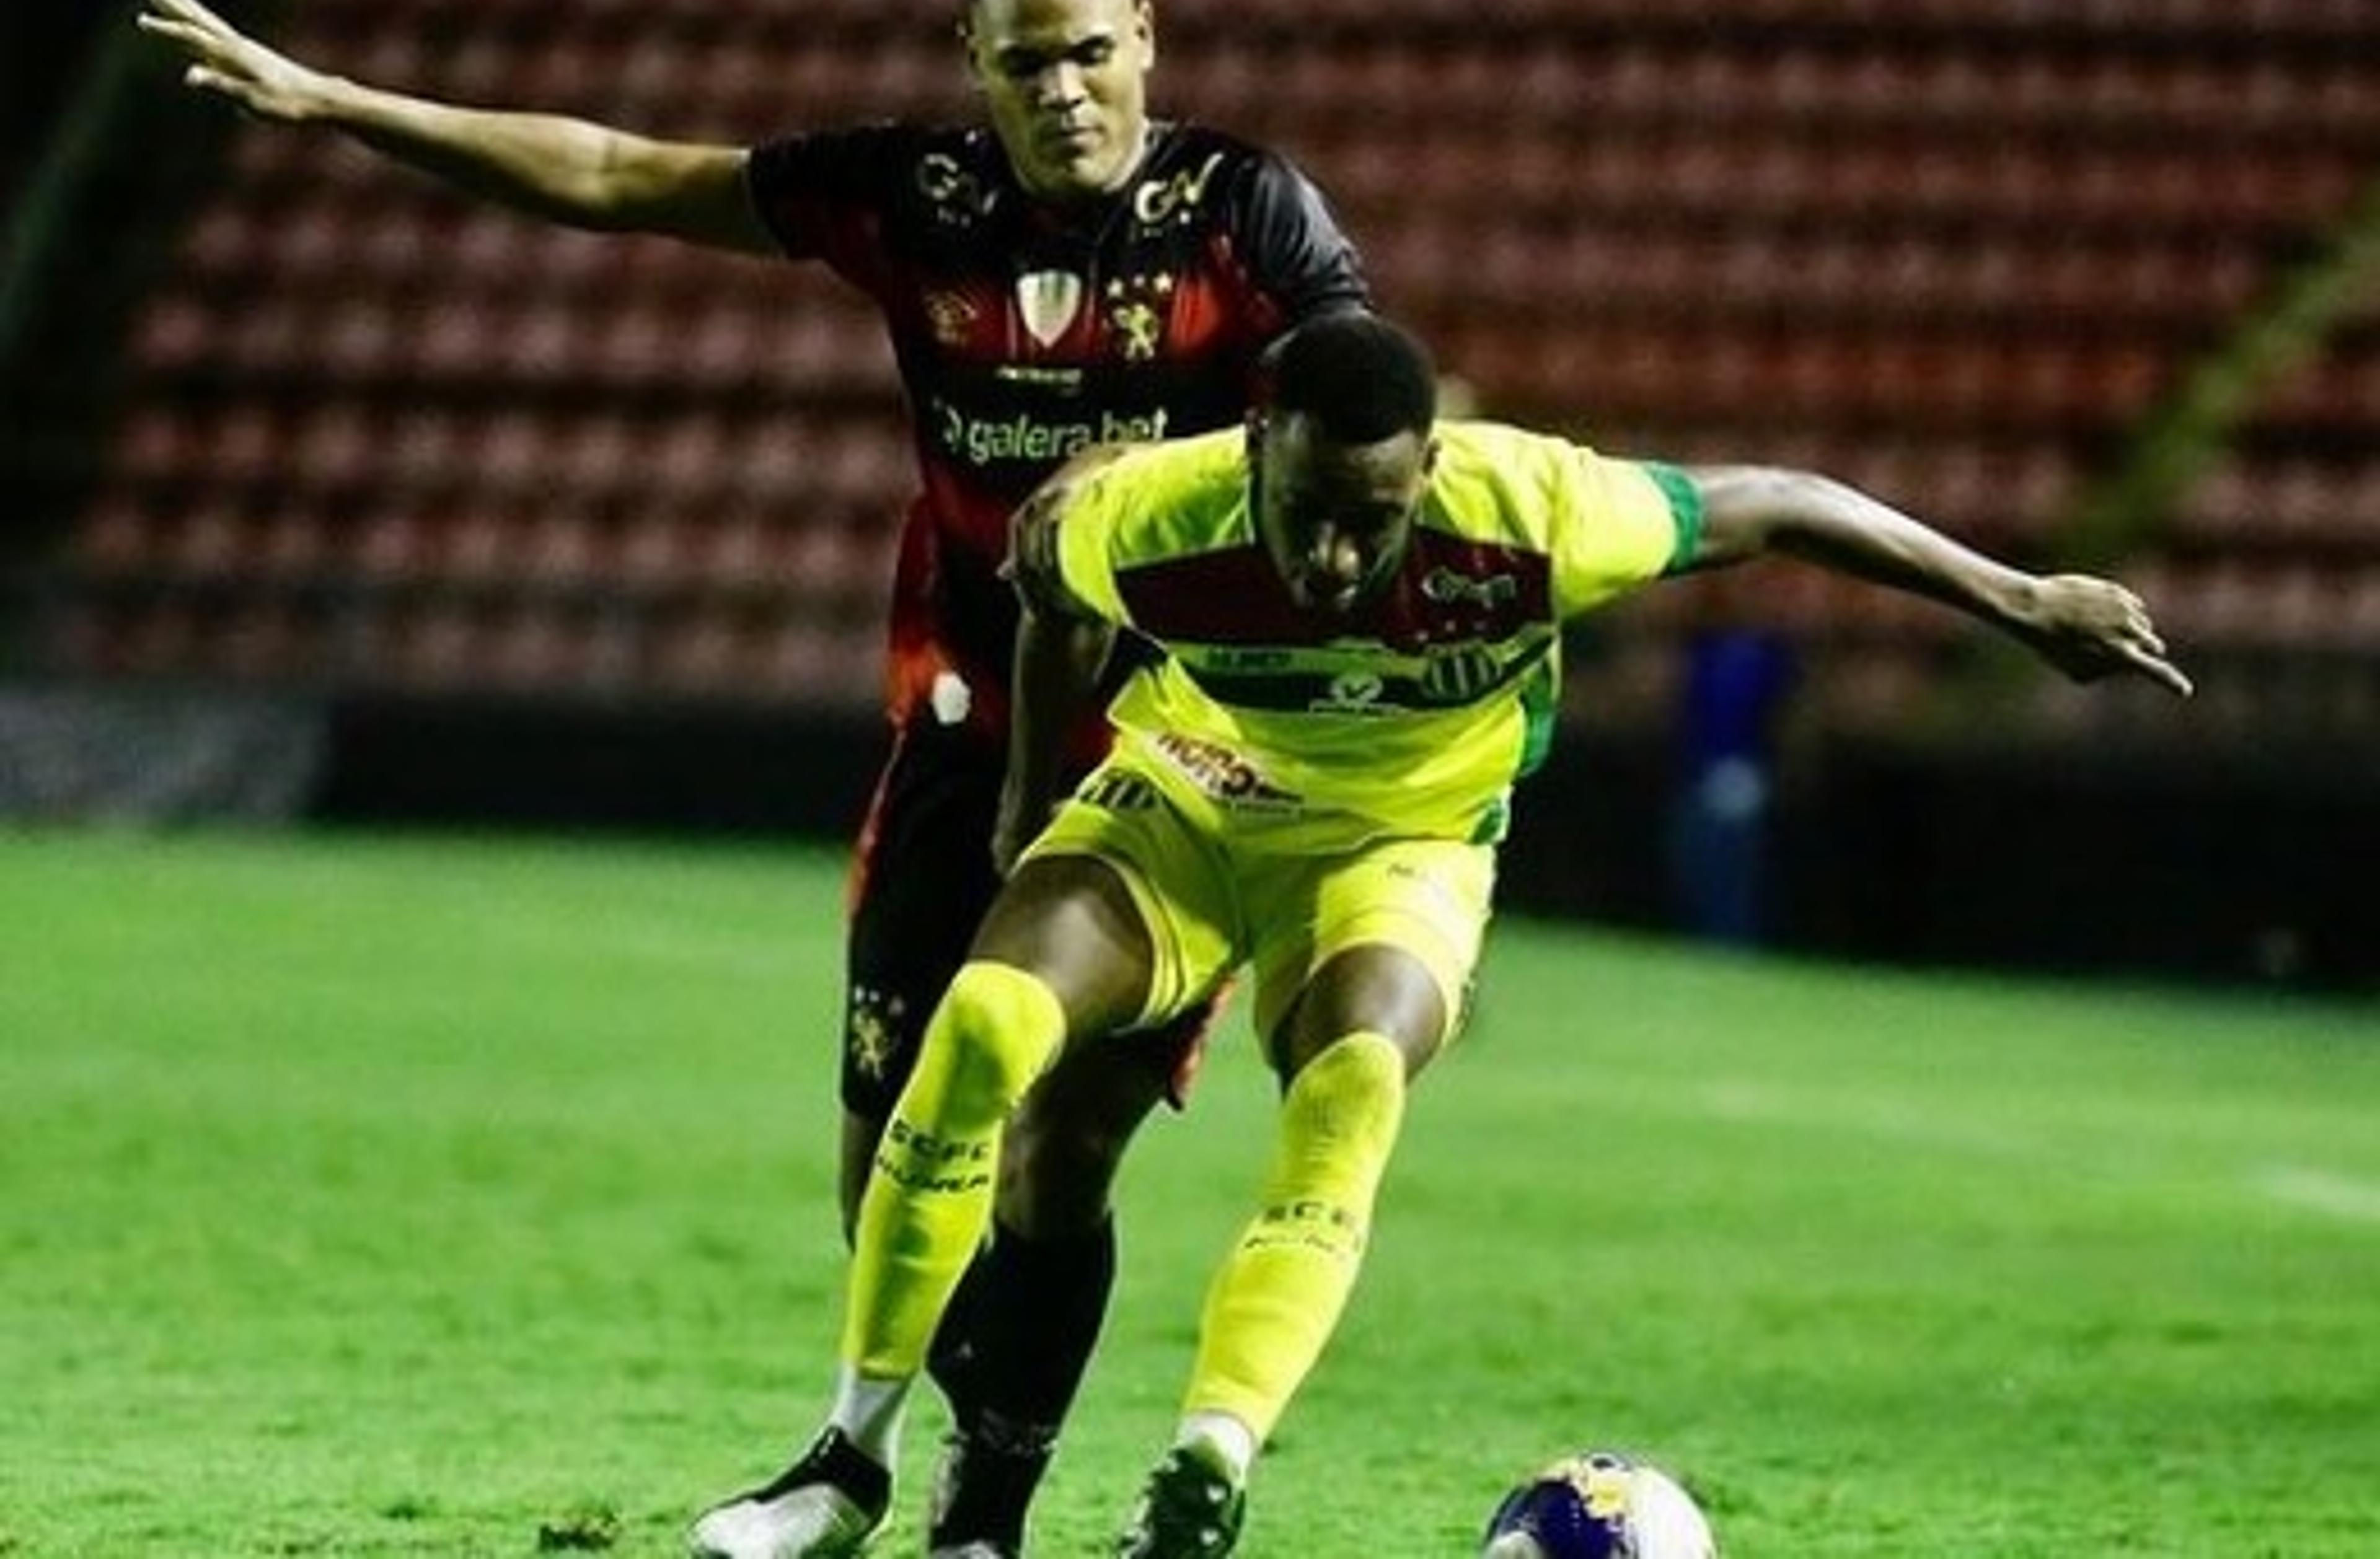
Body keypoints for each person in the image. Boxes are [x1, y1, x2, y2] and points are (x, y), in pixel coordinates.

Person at [137, 0, 1374, 1559]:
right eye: (1027, 61)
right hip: (966, 718)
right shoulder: (913, 197)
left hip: (1164, 749)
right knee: (884, 1169)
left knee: (1059, 1140)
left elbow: (1363, 408)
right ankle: (890, 1451)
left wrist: (1172, 505)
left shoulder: (1245, 213)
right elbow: (615, 175)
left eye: (1093, 48)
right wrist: (343, 102)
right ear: (974, 64)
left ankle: (978, 1509)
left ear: (1148, 30)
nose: (1066, 88)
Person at [755, 309, 2192, 1559]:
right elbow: (1053, 599)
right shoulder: (1150, 511)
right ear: (1255, 448)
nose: (1330, 550)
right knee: (990, 1021)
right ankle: (852, 1453)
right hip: (1192, 796)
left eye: (1369, 517)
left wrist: (2019, 597)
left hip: (1405, 845)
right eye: (1305, 503)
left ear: (1427, 472)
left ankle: (1212, 1455)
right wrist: (1031, 804)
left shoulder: (1540, 509)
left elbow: (1788, 501)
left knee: (1358, 1073)